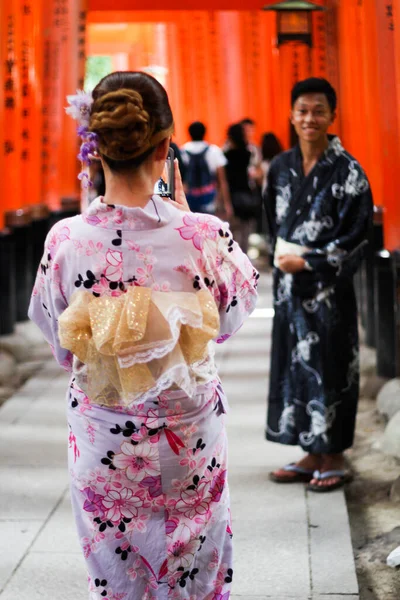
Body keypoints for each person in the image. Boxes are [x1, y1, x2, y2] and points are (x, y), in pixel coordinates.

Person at [29, 71, 259, 599]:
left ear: (94, 146)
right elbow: (229, 318)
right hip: (189, 429)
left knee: (117, 570)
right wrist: (182, 220)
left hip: (104, 434)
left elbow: (58, 338)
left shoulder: (66, 240)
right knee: (193, 563)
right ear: (164, 146)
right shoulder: (202, 234)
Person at [264, 77, 373, 492]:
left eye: (318, 111)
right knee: (293, 367)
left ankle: (335, 455)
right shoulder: (280, 167)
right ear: (292, 115)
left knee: (329, 366)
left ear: (332, 116)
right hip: (288, 290)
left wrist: (308, 260)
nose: (310, 118)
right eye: (303, 111)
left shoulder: (349, 172)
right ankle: (309, 451)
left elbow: (358, 237)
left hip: (326, 293)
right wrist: (282, 260)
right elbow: (272, 224)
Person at [181, 121, 232, 217]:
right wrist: (226, 203)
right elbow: (222, 180)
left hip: (189, 199)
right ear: (205, 133)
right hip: (209, 198)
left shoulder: (182, 151)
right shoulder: (214, 150)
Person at [224, 123, 260, 255]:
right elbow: (255, 173)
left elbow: (225, 181)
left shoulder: (226, 155)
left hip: (233, 195)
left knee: (233, 232)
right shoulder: (248, 153)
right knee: (246, 231)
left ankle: (234, 258)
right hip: (248, 194)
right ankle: (245, 258)